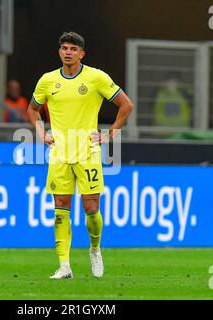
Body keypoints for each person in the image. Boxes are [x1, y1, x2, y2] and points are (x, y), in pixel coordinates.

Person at [27, 31, 133, 279]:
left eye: (73, 49)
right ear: (59, 52)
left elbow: (126, 105)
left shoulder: (96, 78)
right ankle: (64, 265)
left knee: (91, 207)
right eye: (64, 48)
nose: (68, 52)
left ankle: (95, 249)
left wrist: (111, 133)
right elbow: (32, 109)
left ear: (82, 54)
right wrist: (42, 133)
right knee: (60, 207)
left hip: (87, 152)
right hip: (60, 153)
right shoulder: (47, 80)